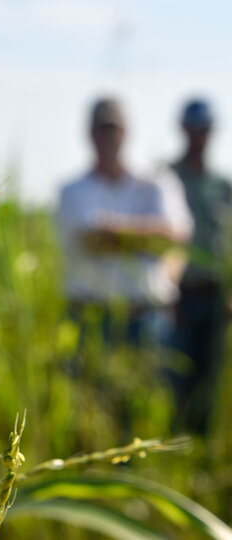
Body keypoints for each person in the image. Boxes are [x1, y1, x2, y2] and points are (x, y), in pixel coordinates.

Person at [57, 97, 193, 347]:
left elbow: (175, 238)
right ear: (90, 134)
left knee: (152, 386)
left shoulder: (158, 181)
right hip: (89, 317)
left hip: (148, 316)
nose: (107, 137)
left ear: (125, 132)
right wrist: (147, 236)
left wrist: (112, 231)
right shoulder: (72, 190)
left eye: (113, 128)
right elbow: (91, 243)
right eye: (101, 129)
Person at [169, 99, 232, 434]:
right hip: (178, 296)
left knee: (211, 376)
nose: (198, 136)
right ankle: (175, 445)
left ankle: (201, 448)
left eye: (204, 129)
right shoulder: (167, 178)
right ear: (184, 130)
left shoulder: (222, 184)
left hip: (216, 297)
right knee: (176, 376)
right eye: (194, 129)